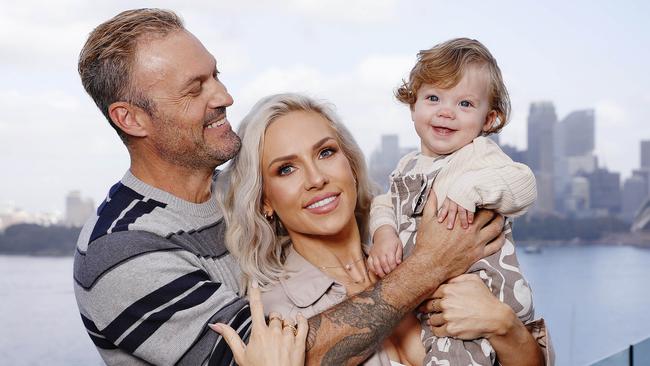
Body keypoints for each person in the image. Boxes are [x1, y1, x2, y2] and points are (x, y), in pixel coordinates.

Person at [73, 8, 511, 365]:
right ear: (131, 118)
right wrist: (431, 264)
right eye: (195, 89)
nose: (224, 96)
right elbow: (274, 358)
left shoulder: (234, 193)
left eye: (215, 75)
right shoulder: (122, 249)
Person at [221, 93, 552, 365]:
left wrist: (504, 326)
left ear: (350, 163)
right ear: (265, 199)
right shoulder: (275, 320)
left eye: (325, 152)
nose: (316, 179)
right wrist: (429, 265)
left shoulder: (428, 248)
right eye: (286, 169)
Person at [367, 38, 546, 365]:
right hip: (427, 295)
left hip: (477, 292)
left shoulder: (479, 155)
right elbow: (384, 202)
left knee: (458, 352)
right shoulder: (407, 166)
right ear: (413, 106)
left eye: (465, 104)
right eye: (433, 98)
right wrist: (384, 234)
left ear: (488, 119)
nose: (446, 112)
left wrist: (468, 189)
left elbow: (524, 184)